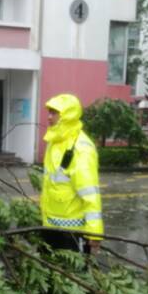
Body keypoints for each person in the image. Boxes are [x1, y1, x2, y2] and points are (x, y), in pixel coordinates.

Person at [41, 93, 103, 255]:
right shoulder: (55, 142)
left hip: (73, 234)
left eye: (53, 113)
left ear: (66, 116)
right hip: (51, 226)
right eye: (49, 112)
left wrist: (94, 233)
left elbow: (90, 194)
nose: (49, 117)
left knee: (71, 277)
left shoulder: (81, 149)